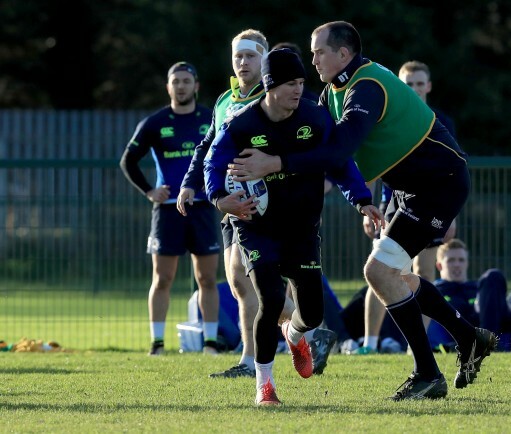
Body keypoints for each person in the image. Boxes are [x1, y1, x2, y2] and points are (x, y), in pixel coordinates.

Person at [226, 21, 497, 400]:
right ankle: (469, 338)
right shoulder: (331, 93)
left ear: (343, 53)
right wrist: (357, 198)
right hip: (409, 190)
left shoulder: (366, 87)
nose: (314, 59)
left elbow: (337, 152)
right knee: (394, 275)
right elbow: (325, 156)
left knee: (379, 271)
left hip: (440, 184)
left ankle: (427, 373)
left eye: (320, 51)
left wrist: (274, 163)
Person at [203, 48, 383, 406]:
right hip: (256, 226)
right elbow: (213, 162)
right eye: (289, 83)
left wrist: (362, 200)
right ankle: (265, 386)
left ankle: (295, 334)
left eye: (301, 82)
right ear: (270, 85)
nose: (298, 89)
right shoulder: (242, 124)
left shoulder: (315, 117)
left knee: (312, 312)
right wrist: (220, 199)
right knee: (269, 299)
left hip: (301, 226)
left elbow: (339, 163)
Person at [176, 30, 338, 378]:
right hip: (238, 203)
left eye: (250, 56)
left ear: (265, 61)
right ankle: (290, 342)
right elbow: (207, 147)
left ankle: (269, 351)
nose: (243, 63)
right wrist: (191, 184)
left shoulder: (291, 100)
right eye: (237, 57)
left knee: (262, 280)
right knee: (240, 283)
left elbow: (323, 150)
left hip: (284, 208)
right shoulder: (225, 102)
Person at [355, 60, 458, 355]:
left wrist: (451, 215)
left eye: (418, 83)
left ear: (428, 86)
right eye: (407, 84)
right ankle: (369, 344)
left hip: (430, 203)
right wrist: (368, 203)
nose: (413, 89)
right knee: (380, 268)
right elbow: (370, 160)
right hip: (392, 203)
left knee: (424, 272)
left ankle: (418, 346)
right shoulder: (386, 116)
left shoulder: (441, 121)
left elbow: (453, 171)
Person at [120, 61, 221, 356]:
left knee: (207, 278)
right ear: (168, 87)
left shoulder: (209, 119)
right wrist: (149, 191)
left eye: (186, 80)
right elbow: (128, 160)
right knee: (162, 279)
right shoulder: (155, 122)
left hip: (202, 207)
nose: (181, 86)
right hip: (167, 210)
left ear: (196, 86)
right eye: (175, 81)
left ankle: (211, 343)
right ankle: (157, 344)